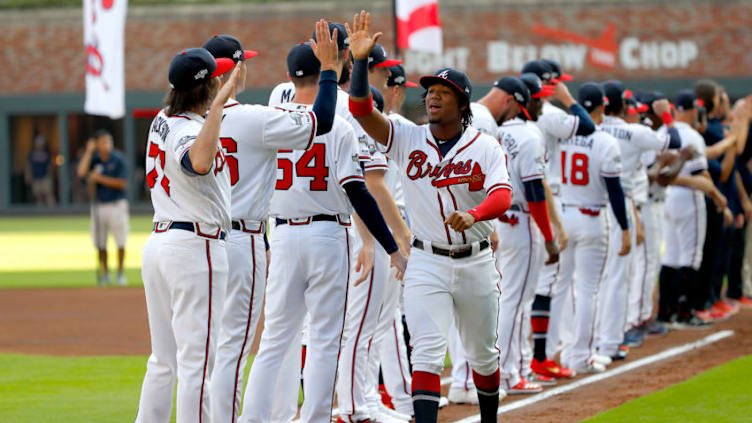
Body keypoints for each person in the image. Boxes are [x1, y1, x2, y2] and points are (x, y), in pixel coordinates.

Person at [347, 11, 512, 423]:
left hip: (475, 260)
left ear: (463, 101)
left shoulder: (485, 146)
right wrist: (362, 63)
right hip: (426, 261)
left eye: (445, 91)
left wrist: (474, 214)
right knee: (426, 351)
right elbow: (362, 109)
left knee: (483, 356)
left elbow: (502, 197)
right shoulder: (407, 135)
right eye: (431, 90)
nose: (434, 96)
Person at [241, 41, 407, 423]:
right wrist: (389, 245)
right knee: (324, 341)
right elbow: (359, 192)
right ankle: (315, 418)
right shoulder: (340, 124)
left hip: (282, 235)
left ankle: (253, 419)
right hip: (329, 235)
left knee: (273, 342)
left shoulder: (269, 120)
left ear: (289, 77)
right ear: (329, 71)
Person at [201, 23, 341, 423]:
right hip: (241, 240)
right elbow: (322, 122)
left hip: (198, 240)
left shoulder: (177, 120)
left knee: (200, 348)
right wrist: (329, 70)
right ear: (233, 71)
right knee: (233, 347)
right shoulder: (254, 119)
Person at [135, 47, 238, 423]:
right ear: (207, 86)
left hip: (162, 242)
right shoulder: (187, 127)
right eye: (215, 78)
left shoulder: (163, 117)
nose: (220, 81)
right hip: (194, 247)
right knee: (197, 365)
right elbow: (198, 161)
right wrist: (217, 110)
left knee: (163, 361)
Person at [555, 82, 630, 374]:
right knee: (587, 290)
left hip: (563, 214)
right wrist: (624, 227)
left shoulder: (561, 135)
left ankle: (551, 353)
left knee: (560, 288)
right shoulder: (604, 140)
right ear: (602, 107)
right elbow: (615, 192)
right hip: (591, 218)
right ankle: (579, 357)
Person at [495, 75, 560, 394]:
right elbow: (535, 190)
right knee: (516, 301)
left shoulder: (496, 131)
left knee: (508, 298)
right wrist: (548, 236)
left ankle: (513, 368)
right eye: (538, 98)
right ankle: (508, 372)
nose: (542, 102)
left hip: (499, 218)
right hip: (520, 220)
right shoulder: (529, 135)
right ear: (523, 102)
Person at [76, 128, 129, 286]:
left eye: (109, 141)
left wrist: (100, 179)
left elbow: (121, 183)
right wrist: (88, 151)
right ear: (97, 144)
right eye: (104, 141)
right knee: (100, 242)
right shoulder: (94, 160)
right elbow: (81, 173)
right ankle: (105, 273)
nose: (108, 144)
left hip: (116, 204)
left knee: (120, 241)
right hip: (99, 205)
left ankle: (120, 273)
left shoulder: (118, 159)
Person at [25, 132, 55, 206]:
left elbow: (50, 166)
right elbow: (28, 165)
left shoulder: (47, 153)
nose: (40, 145)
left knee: (48, 193)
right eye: (38, 144)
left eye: (41, 144)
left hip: (45, 176)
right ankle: (40, 212)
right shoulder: (32, 153)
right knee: (38, 195)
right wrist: (27, 176)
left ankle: (53, 211)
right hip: (35, 177)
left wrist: (51, 176)